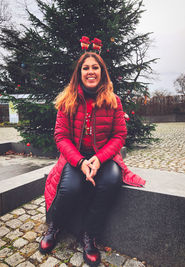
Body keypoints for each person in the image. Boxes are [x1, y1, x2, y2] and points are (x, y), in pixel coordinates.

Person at [39, 51, 146, 266]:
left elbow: (119, 135)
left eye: (95, 67)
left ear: (102, 72)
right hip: (75, 157)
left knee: (111, 181)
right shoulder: (67, 100)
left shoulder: (113, 101)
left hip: (103, 157)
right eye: (86, 68)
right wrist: (79, 162)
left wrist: (99, 158)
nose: (90, 72)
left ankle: (89, 235)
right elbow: (60, 136)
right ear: (79, 73)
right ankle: (55, 226)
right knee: (70, 188)